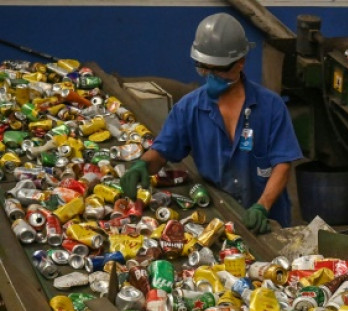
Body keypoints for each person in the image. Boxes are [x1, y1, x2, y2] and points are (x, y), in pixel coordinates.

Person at [120, 12, 302, 234]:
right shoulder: (189, 109)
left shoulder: (271, 107)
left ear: (241, 63)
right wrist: (142, 165)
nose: (212, 75)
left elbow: (282, 165)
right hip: (218, 217)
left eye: (220, 69)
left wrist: (262, 206)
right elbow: (162, 151)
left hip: (268, 221)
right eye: (206, 68)